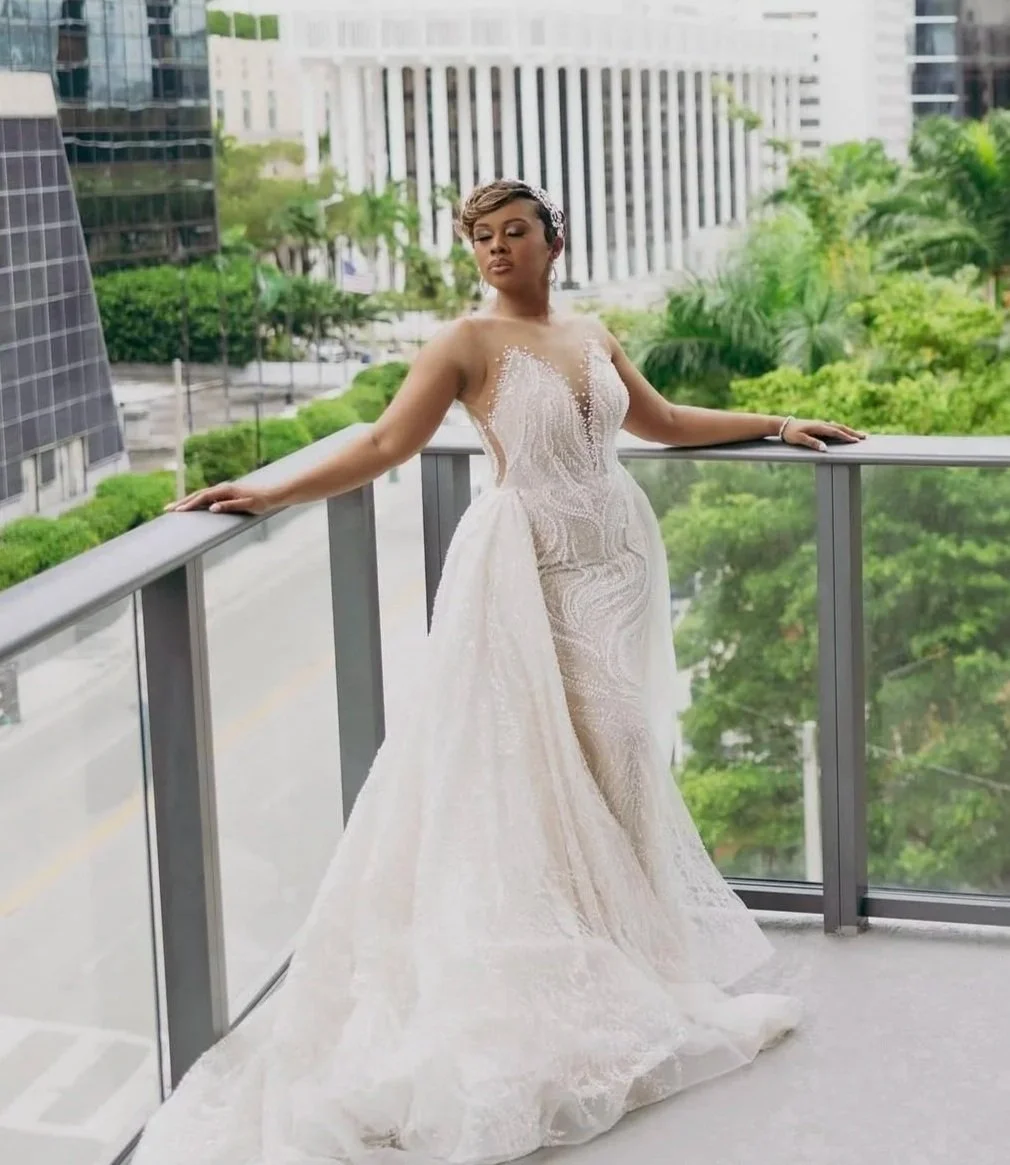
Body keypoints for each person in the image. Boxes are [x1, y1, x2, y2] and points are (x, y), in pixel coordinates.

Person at [138, 180, 865, 1165]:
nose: (493, 249)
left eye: (510, 231)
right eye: (479, 237)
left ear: (551, 241)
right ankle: (585, 969)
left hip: (615, 568)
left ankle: (632, 953)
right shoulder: (462, 344)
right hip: (529, 576)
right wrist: (265, 489)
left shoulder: (591, 331)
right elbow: (385, 444)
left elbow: (655, 422)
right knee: (531, 772)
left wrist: (775, 422)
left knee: (620, 760)